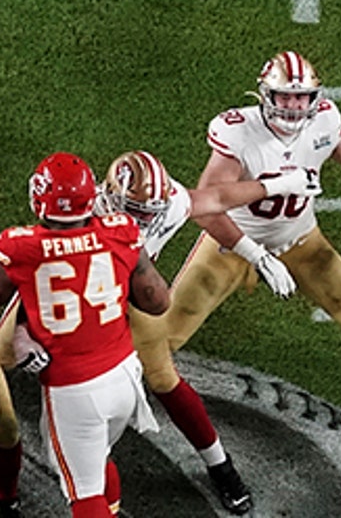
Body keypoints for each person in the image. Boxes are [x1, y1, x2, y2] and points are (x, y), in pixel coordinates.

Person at [164, 51, 341, 401]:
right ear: (265, 95)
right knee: (167, 334)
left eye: (301, 97)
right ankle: (124, 407)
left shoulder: (324, 120)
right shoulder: (239, 132)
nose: (293, 106)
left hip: (301, 240)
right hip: (231, 245)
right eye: (284, 96)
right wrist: (256, 255)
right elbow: (206, 209)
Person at [88, 149, 318, 514]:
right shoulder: (84, 219)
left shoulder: (169, 204)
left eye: (151, 211)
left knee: (164, 378)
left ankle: (220, 465)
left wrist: (278, 195)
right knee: (9, 361)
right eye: (137, 211)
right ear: (110, 198)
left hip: (134, 295)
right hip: (81, 307)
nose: (146, 220)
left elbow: (216, 199)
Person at [0, 153, 171, 518]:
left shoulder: (20, 246)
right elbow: (158, 302)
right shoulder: (122, 231)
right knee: (98, 460)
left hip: (75, 390)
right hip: (125, 376)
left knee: (84, 495)